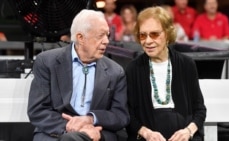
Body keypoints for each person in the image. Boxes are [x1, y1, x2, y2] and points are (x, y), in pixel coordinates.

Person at [27, 9, 129, 141]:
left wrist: (91, 119)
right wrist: (77, 129)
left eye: (107, 35)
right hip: (55, 131)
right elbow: (38, 110)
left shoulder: (116, 71)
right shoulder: (47, 62)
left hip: (97, 132)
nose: (106, 41)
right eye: (100, 36)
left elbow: (120, 116)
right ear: (81, 38)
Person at [125, 6, 206, 141]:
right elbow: (128, 114)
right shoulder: (133, 69)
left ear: (167, 34)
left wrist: (188, 132)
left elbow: (200, 110)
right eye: (143, 35)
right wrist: (146, 133)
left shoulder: (187, 64)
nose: (148, 41)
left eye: (154, 34)